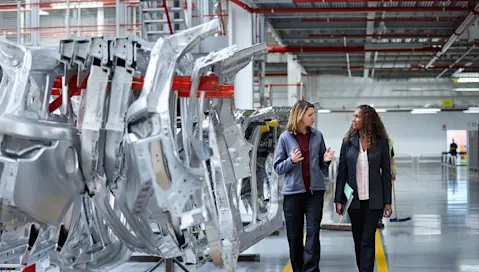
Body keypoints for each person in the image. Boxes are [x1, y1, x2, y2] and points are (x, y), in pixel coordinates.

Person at [274, 100, 335, 272]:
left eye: (313, 114)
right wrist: (291, 161)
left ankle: (312, 270)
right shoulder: (285, 138)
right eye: (310, 115)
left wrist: (325, 160)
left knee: (313, 235)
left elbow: (322, 167)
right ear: (300, 116)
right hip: (293, 194)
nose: (313, 118)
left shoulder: (318, 136)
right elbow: (278, 167)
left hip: (314, 193)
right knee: (294, 237)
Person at [334, 105, 393, 272]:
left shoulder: (381, 142)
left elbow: (386, 174)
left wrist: (387, 202)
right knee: (358, 239)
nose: (353, 120)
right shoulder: (347, 142)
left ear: (367, 120)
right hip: (354, 201)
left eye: (357, 117)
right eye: (353, 116)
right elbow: (342, 171)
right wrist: (338, 199)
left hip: (374, 201)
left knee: (368, 240)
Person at [378, 139, 396, 229]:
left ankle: (379, 217)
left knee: (383, 194)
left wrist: (393, 171)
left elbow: (391, 159)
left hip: (385, 171)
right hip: (376, 171)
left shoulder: (388, 142)